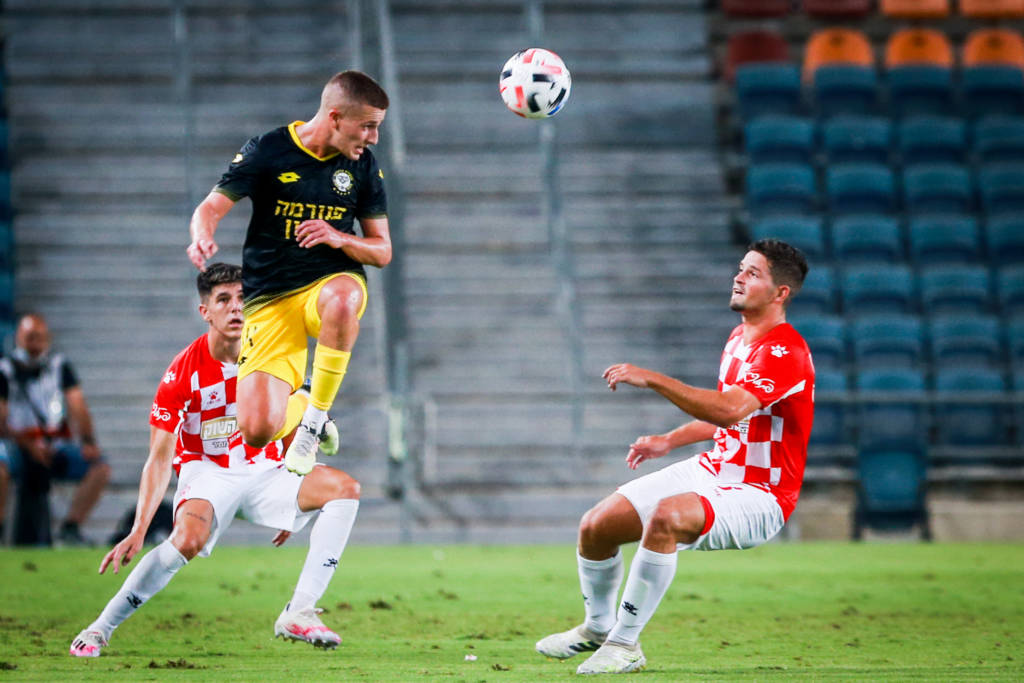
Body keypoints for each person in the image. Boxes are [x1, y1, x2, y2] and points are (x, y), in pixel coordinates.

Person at [536, 239, 814, 675]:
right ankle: (597, 627)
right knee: (597, 525)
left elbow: (727, 409)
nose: (739, 277)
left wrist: (652, 379)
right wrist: (669, 440)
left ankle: (625, 645)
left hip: (761, 491)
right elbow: (729, 416)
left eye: (754, 273)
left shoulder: (785, 352)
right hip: (715, 468)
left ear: (781, 293)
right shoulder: (740, 338)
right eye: (741, 268)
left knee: (666, 517)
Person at [70, 263, 362, 658]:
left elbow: (290, 418)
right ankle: (99, 629)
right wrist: (139, 528)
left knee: (345, 490)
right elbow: (159, 458)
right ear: (205, 310)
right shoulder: (182, 373)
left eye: (243, 298)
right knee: (186, 542)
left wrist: (298, 502)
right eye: (223, 300)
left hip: (268, 471)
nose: (236, 308)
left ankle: (299, 610)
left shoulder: (276, 353)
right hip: (209, 473)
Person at [186, 70, 392, 477]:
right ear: (335, 117)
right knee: (257, 429)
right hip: (269, 297)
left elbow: (382, 250)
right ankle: (309, 405)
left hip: (331, 282)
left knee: (342, 299)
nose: (373, 138)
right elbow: (210, 207)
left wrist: (338, 237)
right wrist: (201, 236)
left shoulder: (363, 167)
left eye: (377, 128)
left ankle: (313, 422)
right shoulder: (269, 150)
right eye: (367, 127)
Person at [0, 313, 111, 546]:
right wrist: (28, 444)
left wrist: (88, 441)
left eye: (39, 337)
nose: (35, 344)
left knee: (99, 467)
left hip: (53, 445)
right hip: (16, 445)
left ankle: (70, 527)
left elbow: (77, 406)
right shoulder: (5, 370)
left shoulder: (59, 366)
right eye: (30, 337)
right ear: (18, 337)